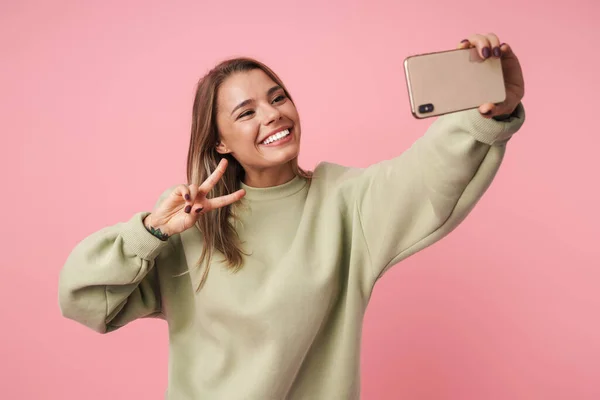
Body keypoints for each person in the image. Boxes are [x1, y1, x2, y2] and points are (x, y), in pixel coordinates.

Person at [58, 32, 525, 399]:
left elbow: (428, 174)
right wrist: (152, 232)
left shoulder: (344, 202)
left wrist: (488, 109)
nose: (273, 115)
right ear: (219, 141)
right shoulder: (190, 226)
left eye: (278, 98)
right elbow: (82, 299)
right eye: (246, 112)